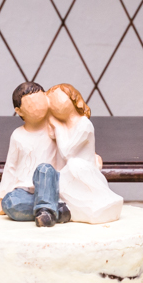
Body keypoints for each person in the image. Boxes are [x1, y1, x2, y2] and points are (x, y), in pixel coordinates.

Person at [46, 83, 122, 225]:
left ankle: (103, 203)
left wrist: (58, 127)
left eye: (57, 99)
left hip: (82, 174)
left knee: (74, 164)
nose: (53, 105)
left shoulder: (84, 125)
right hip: (68, 176)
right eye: (50, 103)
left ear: (73, 99)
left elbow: (67, 153)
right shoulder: (64, 126)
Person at [0, 81, 68, 227]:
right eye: (31, 105)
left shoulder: (55, 130)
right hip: (25, 193)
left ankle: (46, 209)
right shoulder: (17, 135)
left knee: (44, 169)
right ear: (19, 111)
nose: (38, 108)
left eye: (41, 102)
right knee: (9, 203)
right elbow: (10, 167)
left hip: (51, 187)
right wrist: (2, 197)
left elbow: (71, 150)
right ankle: (55, 211)